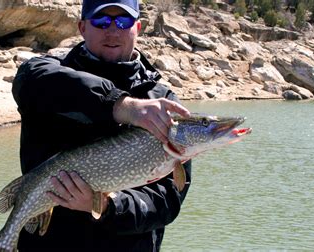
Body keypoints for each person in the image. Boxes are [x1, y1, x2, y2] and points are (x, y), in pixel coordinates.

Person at [11, 0, 192, 251]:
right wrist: (122, 107)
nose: (113, 30)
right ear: (83, 27)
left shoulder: (161, 102)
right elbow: (28, 78)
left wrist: (106, 206)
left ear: (137, 27)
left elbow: (166, 201)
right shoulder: (48, 76)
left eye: (124, 21)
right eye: (102, 21)